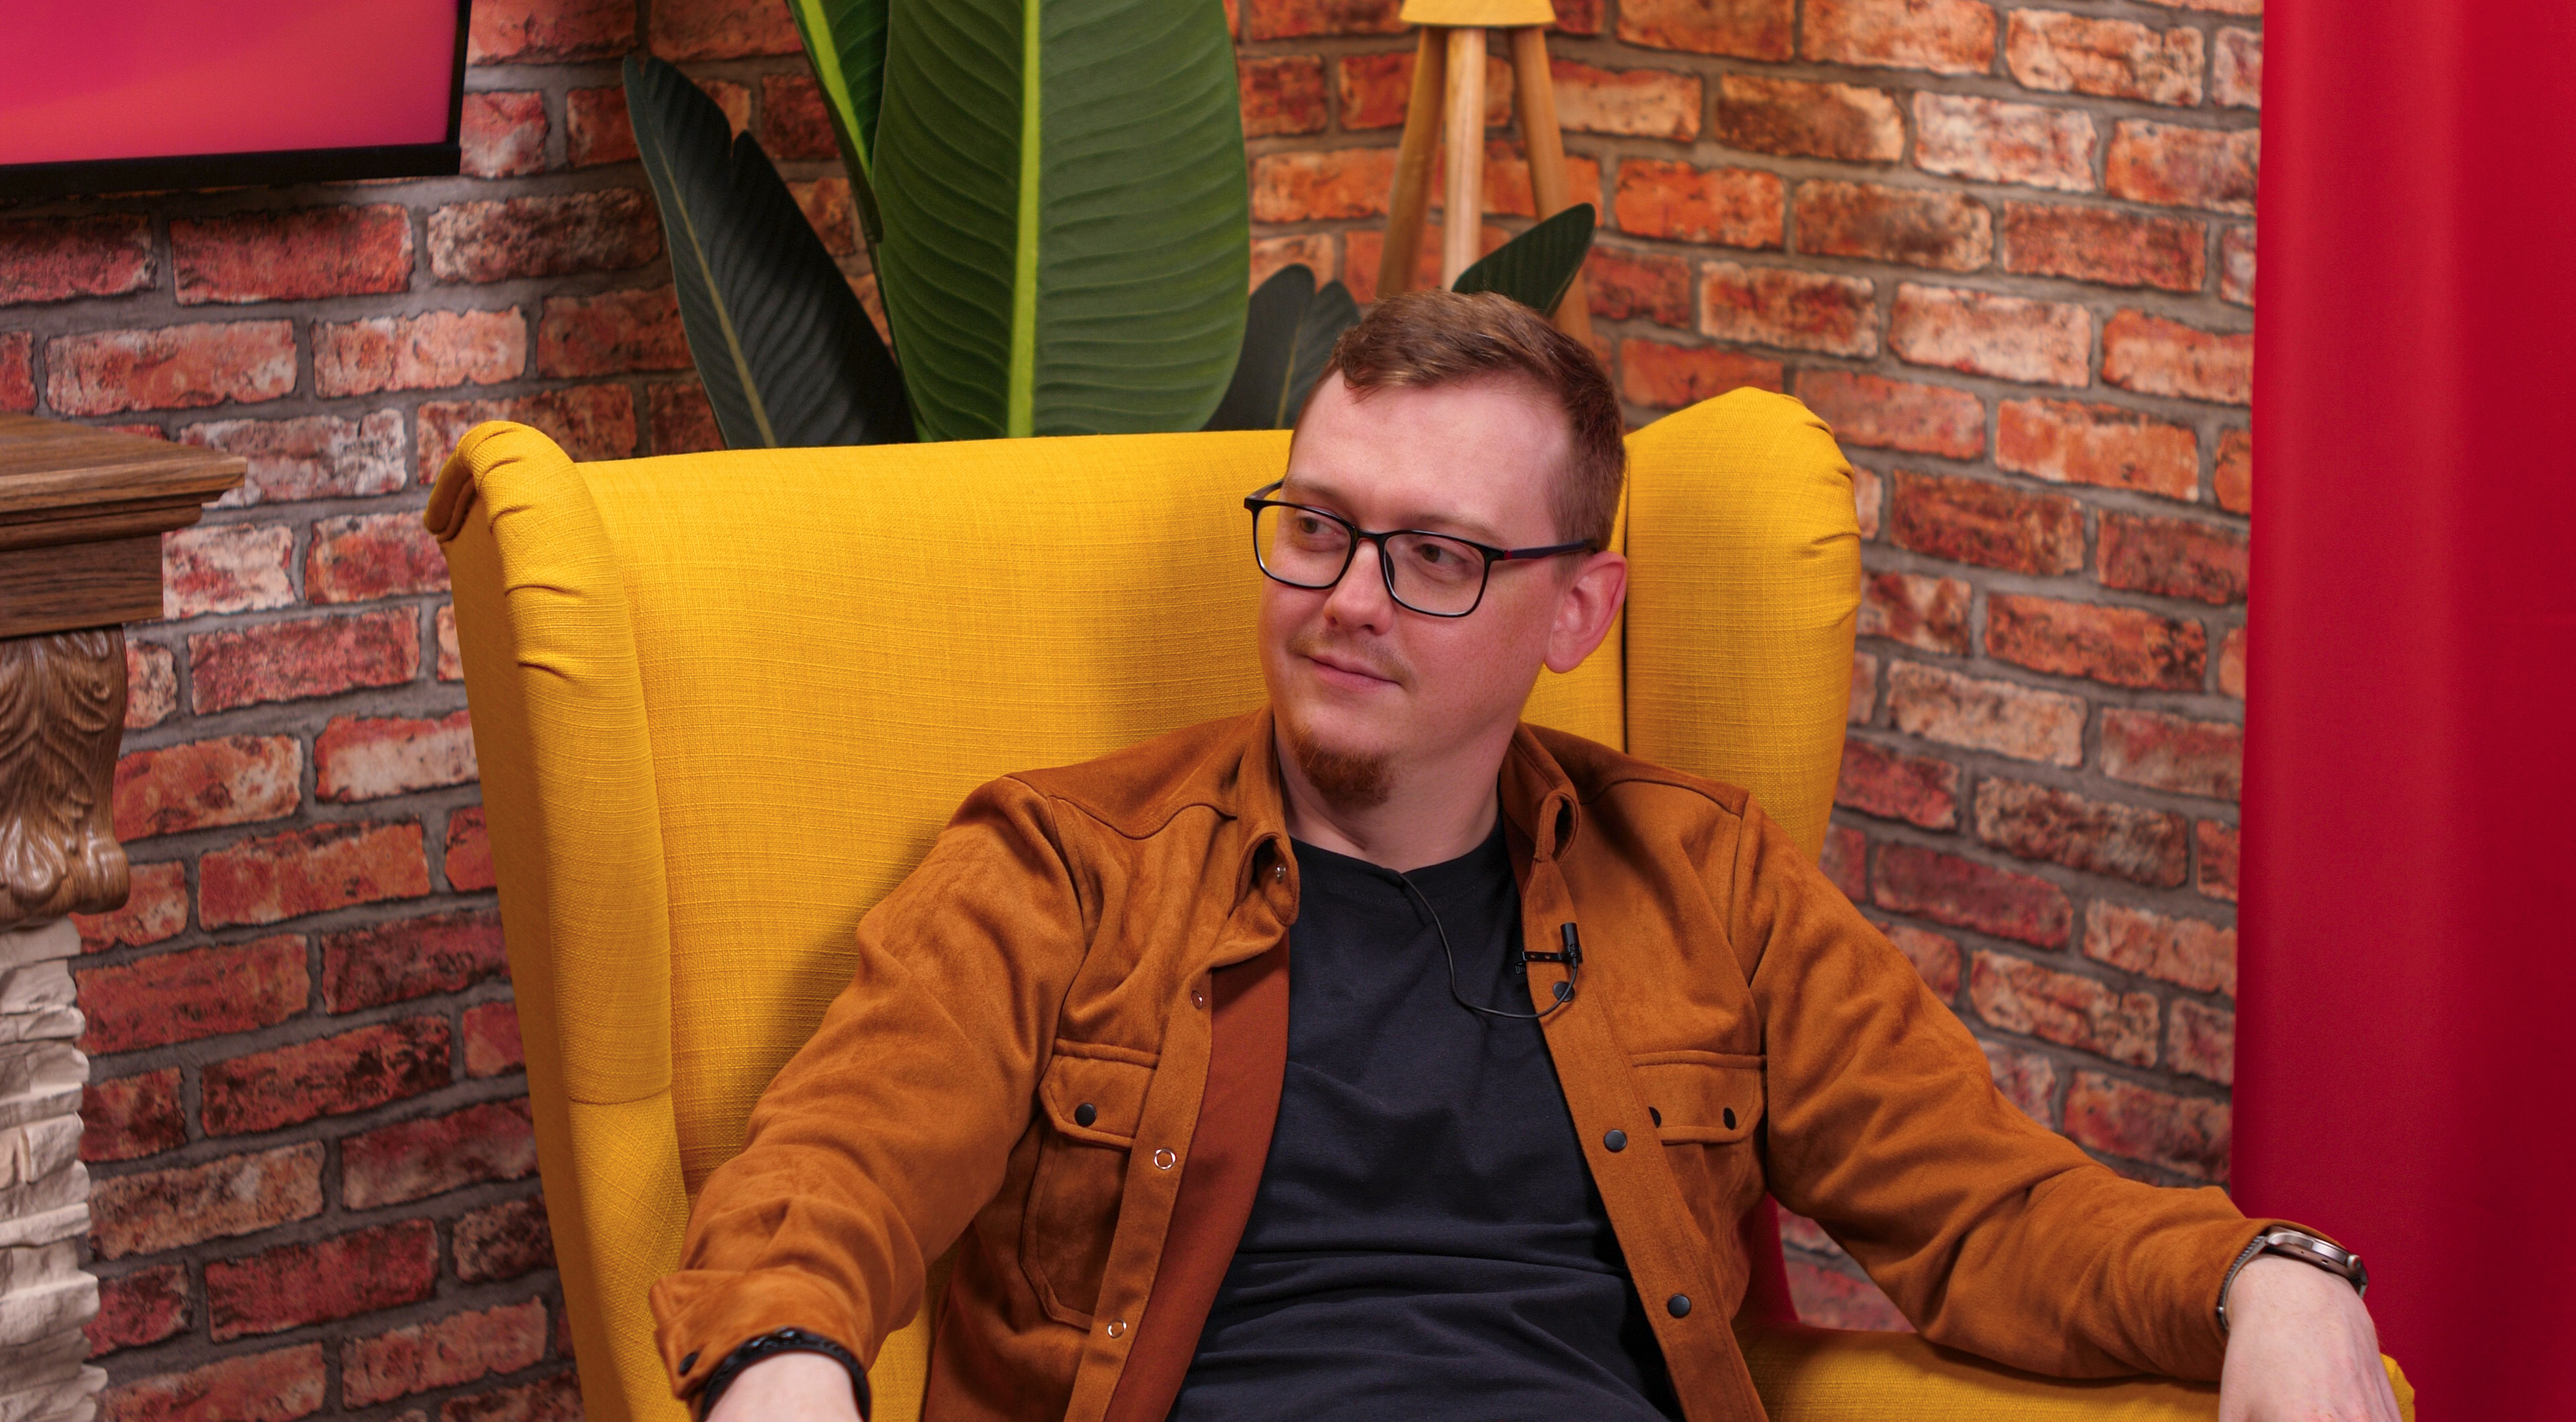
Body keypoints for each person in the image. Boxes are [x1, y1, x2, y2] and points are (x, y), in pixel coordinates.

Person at [647, 290, 2400, 1422]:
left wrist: (2272, 1274)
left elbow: (1990, 1215)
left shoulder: (1703, 887)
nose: (1345, 599)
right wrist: (784, 1369)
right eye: (1317, 527)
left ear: (1578, 612)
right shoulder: (1062, 870)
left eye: (1436, 557)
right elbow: (832, 1177)